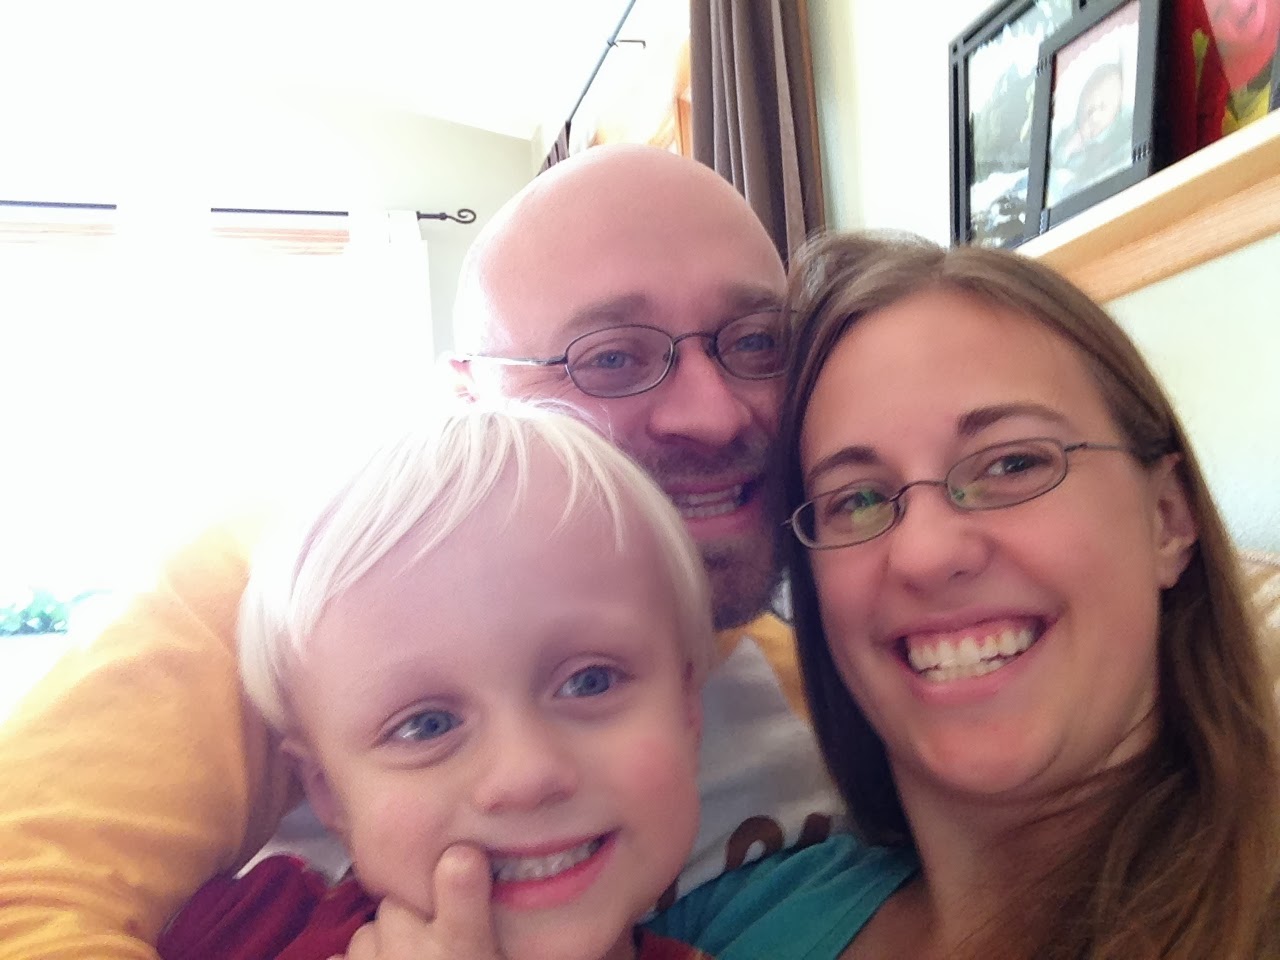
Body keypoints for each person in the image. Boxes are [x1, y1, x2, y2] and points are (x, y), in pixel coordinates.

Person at [0, 145, 839, 958]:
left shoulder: (834, 665)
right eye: (610, 358)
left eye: (756, 342)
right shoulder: (287, 590)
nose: (713, 415)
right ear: (471, 399)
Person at [767, 231, 1280, 958]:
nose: (926, 553)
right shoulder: (744, 918)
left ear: (1167, 517)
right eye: (858, 500)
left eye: (1012, 463)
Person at [158, 404, 715, 960]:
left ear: (687, 708)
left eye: (590, 682)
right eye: (426, 725)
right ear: (327, 792)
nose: (526, 775)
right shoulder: (245, 933)